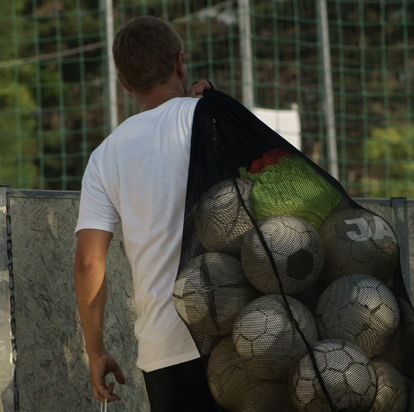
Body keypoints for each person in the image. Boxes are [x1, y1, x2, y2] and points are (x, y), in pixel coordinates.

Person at [73, 16, 219, 411]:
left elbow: (89, 262)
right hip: (241, 331)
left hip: (164, 350)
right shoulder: (212, 119)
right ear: (180, 62)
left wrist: (96, 349)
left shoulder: (105, 155)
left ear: (124, 84)